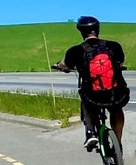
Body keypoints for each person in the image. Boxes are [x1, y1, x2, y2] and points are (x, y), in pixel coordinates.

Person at [52, 16, 129, 152]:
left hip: (93, 96)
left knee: (85, 103)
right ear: (97, 29)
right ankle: (118, 143)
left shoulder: (75, 51)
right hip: (115, 93)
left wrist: (59, 66)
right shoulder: (114, 46)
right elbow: (120, 63)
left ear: (81, 32)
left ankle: (91, 133)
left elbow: (65, 65)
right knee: (116, 109)